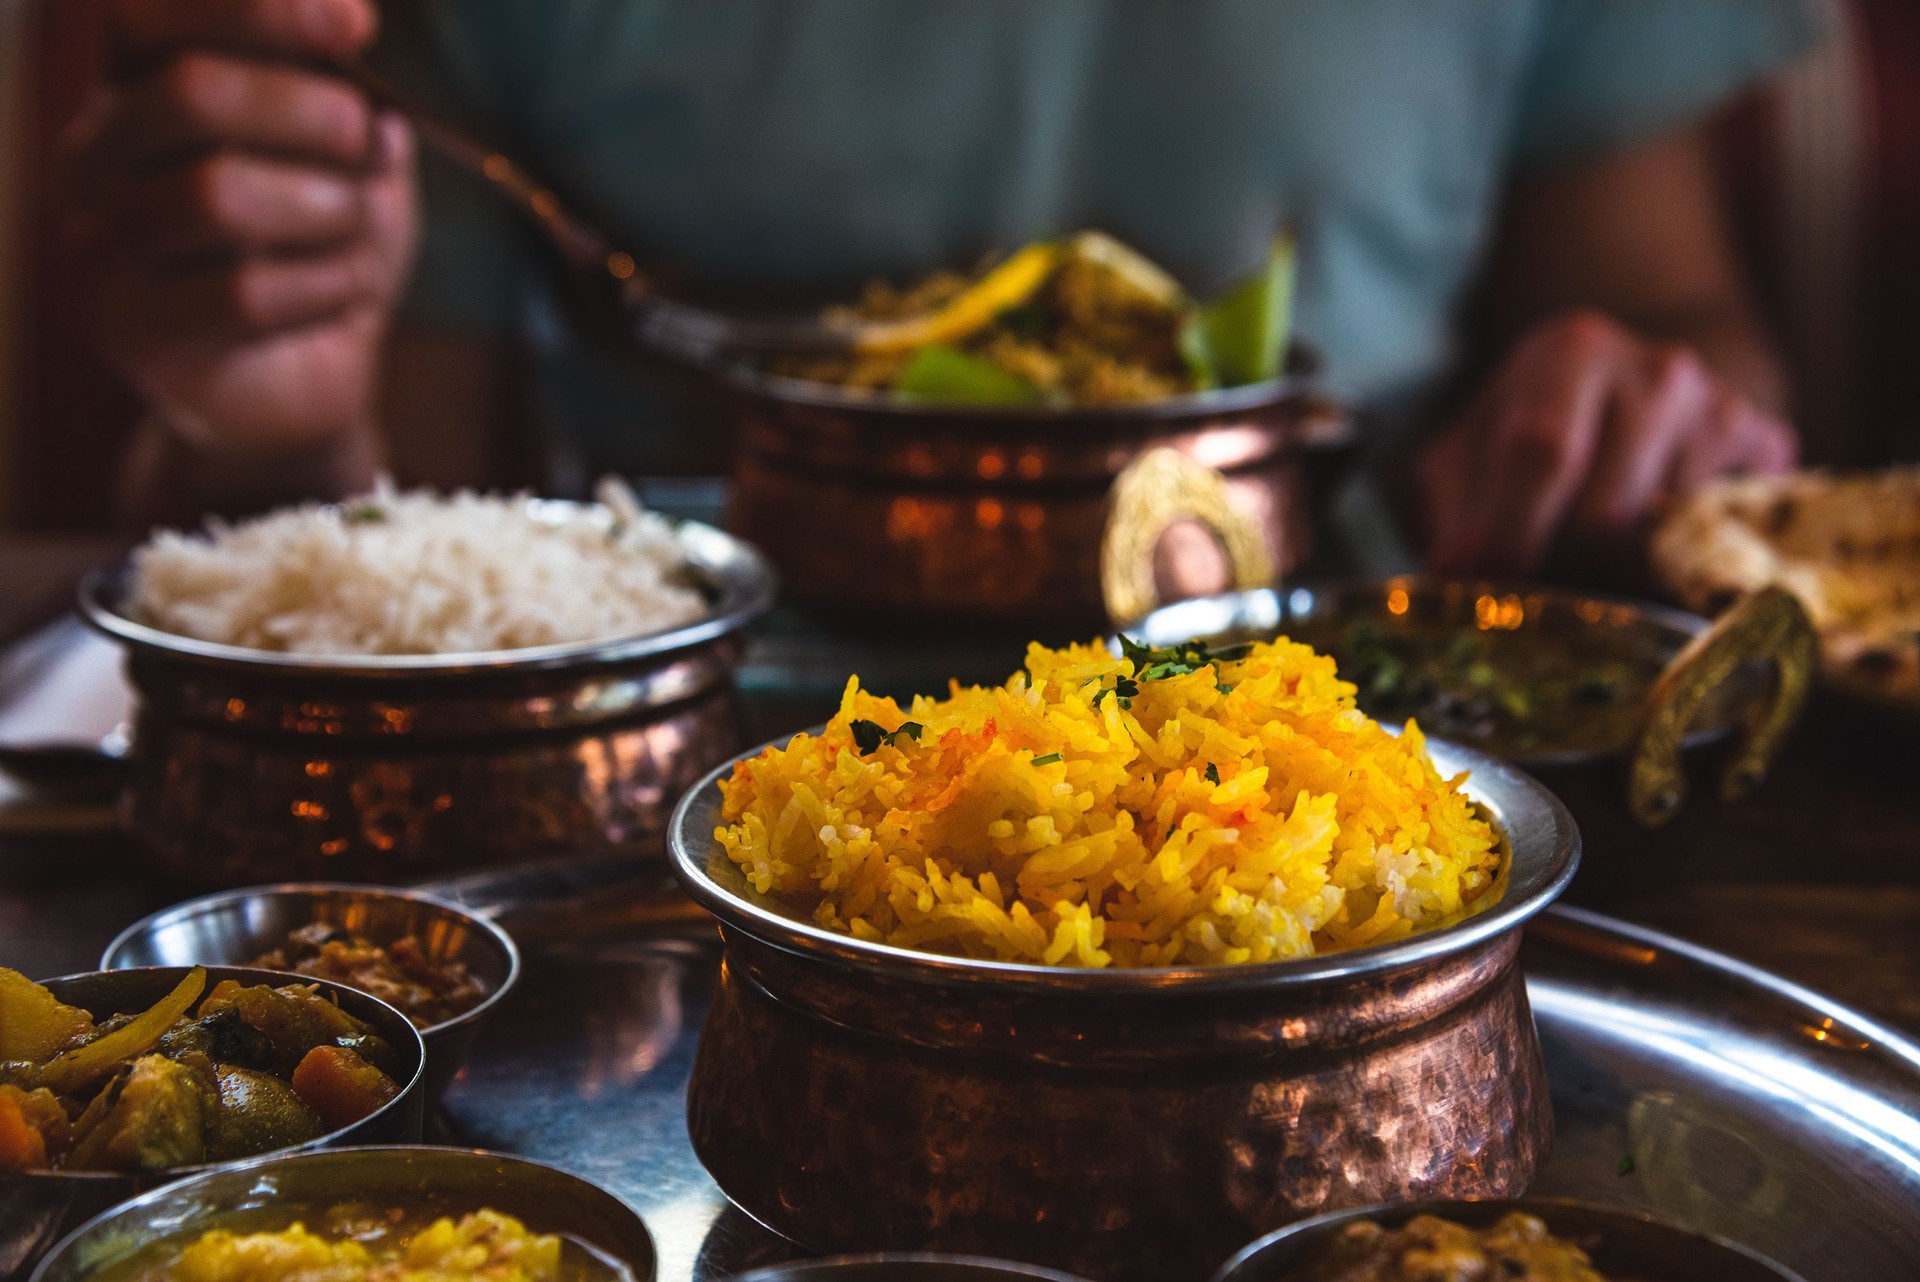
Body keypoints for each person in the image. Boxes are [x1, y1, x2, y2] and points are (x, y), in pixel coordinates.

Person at [64, 0, 1816, 578]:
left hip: (1399, 747)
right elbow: (375, 521)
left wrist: (1656, 412)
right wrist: (253, 433)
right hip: (686, 817)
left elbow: (1674, 311)